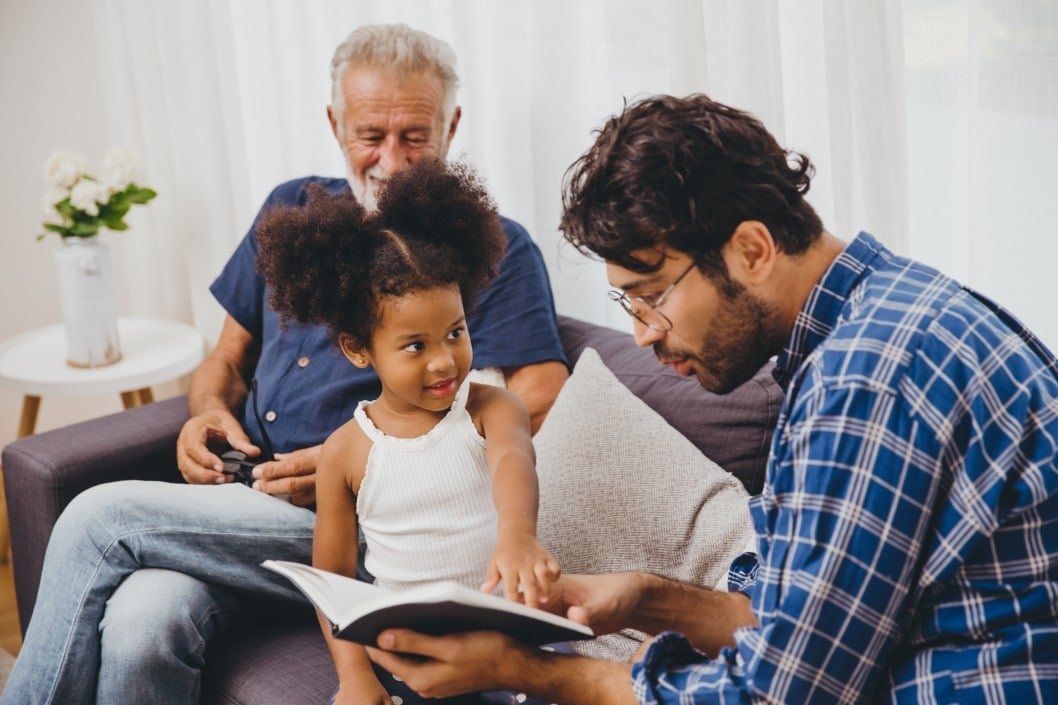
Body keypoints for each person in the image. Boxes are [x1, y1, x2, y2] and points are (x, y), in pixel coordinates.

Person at [363, 94, 1058, 704]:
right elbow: (809, 628)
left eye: (652, 295)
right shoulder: (887, 316)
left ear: (752, 249)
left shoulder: (865, 378)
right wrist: (650, 599)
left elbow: (780, 692)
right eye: (625, 303)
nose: (639, 335)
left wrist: (538, 671)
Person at [1, 24, 568, 705]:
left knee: (100, 519)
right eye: (370, 134)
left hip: (359, 519)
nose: (390, 158)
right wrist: (205, 413)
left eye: (414, 136)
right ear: (335, 124)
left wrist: (352, 460)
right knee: (140, 623)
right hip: (242, 508)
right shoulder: (290, 209)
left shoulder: (491, 247)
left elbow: (539, 395)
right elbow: (223, 361)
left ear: (452, 125)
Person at [256, 160, 561, 705]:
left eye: (456, 332)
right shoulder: (345, 452)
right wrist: (355, 677)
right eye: (416, 346)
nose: (445, 362)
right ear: (358, 349)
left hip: (508, 647)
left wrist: (518, 537)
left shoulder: (491, 409)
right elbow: (334, 581)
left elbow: (513, 462)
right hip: (409, 664)